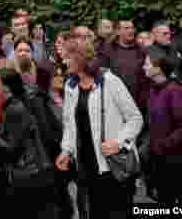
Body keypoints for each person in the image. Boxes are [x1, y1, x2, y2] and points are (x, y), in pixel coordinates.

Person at [56, 37, 143, 219]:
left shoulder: (109, 81)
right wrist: (66, 150)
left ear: (79, 57)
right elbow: (70, 124)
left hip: (112, 167)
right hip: (86, 167)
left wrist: (118, 143)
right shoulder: (70, 86)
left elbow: (135, 118)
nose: (63, 61)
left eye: (67, 57)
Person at [0, 67, 55, 219]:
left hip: (28, 176)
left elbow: (12, 148)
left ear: (5, 87)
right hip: (33, 174)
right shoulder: (15, 105)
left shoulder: (14, 109)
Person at [142, 49, 182, 205]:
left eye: (146, 64)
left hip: (177, 160)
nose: (143, 67)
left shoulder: (175, 91)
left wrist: (165, 144)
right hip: (159, 159)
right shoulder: (153, 90)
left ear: (158, 68)